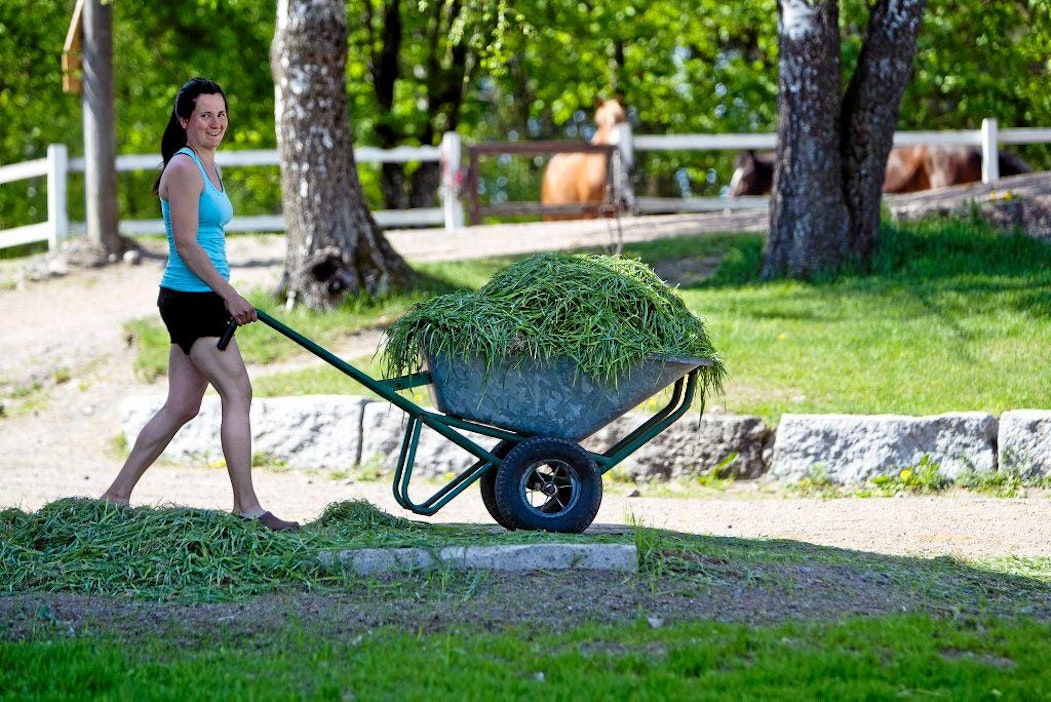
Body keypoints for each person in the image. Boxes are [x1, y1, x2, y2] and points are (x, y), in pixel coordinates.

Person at [102, 77, 299, 531]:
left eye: (221, 114)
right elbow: (188, 245)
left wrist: (224, 292)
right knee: (238, 391)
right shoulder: (185, 168)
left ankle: (115, 496)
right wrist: (230, 295)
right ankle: (248, 508)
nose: (215, 122)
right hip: (193, 300)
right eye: (205, 115)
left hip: (199, 296)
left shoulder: (208, 164)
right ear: (184, 120)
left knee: (181, 406)